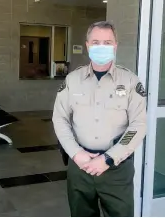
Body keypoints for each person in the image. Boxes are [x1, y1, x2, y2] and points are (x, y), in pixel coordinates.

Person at [52, 21, 147, 217]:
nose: (101, 47)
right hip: (80, 167)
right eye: (96, 42)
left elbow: (138, 125)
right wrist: (76, 154)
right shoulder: (72, 80)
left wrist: (109, 158)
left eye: (107, 42)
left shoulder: (130, 81)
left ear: (115, 46)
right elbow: (60, 119)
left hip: (116, 169)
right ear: (87, 45)